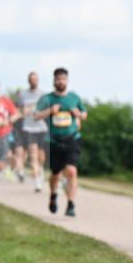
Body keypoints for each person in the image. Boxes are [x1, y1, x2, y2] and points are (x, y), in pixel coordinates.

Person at [35, 68, 86, 217]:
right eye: (58, 79)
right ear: (54, 81)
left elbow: (84, 114)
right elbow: (36, 116)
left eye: (63, 79)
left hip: (72, 138)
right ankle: (53, 195)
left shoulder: (74, 97)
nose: (61, 81)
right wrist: (50, 111)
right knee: (55, 174)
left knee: (71, 170)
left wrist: (78, 114)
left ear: (67, 80)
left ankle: (71, 204)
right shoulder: (47, 98)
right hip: (53, 140)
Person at [18, 71, 48, 192]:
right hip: (29, 128)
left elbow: (47, 109)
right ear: (28, 81)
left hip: (42, 127)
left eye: (35, 79)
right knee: (33, 155)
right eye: (31, 80)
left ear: (38, 80)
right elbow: (20, 110)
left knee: (41, 156)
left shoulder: (43, 94)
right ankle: (37, 182)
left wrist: (39, 113)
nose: (33, 81)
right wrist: (24, 111)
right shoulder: (23, 94)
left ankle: (41, 169)